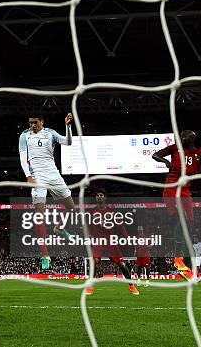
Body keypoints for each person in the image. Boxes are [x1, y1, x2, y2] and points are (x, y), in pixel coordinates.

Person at [153, 130, 201, 281]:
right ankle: (178, 260)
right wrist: (166, 162)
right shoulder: (174, 148)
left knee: (189, 227)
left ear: (191, 138)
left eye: (184, 136)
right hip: (173, 186)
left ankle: (186, 266)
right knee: (182, 220)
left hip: (186, 190)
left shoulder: (200, 151)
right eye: (181, 137)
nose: (182, 139)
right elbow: (155, 155)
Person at [19, 113, 74, 270]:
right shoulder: (24, 135)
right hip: (37, 176)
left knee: (71, 207)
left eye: (35, 122)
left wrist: (68, 126)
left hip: (54, 174)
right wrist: (28, 175)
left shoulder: (50, 133)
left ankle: (59, 228)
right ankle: (45, 255)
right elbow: (23, 157)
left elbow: (68, 142)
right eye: (30, 123)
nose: (32, 125)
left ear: (41, 121)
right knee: (39, 213)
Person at [85, 189, 139, 296]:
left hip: (110, 240)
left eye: (101, 195)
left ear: (105, 197)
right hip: (98, 240)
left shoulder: (112, 211)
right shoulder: (92, 211)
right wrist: (91, 234)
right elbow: (88, 225)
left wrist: (126, 237)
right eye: (97, 195)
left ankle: (132, 286)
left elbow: (120, 225)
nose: (99, 197)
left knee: (121, 264)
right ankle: (90, 286)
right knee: (94, 261)